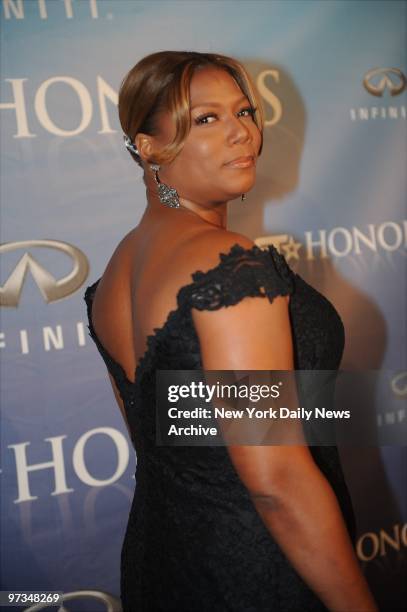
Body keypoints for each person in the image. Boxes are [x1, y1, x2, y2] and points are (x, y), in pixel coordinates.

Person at [84, 51, 377, 612]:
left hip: (161, 561)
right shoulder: (227, 263)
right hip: (255, 571)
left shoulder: (115, 273)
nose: (242, 132)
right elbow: (275, 479)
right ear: (145, 146)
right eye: (206, 119)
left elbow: (169, 434)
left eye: (244, 112)